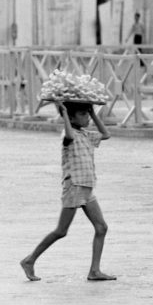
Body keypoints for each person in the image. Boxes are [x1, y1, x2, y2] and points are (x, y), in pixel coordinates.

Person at [20, 101, 115, 282]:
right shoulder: (67, 134)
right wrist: (64, 114)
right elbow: (69, 135)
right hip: (74, 187)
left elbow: (106, 134)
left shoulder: (86, 134)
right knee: (61, 231)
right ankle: (29, 260)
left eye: (87, 114)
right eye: (83, 114)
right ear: (71, 118)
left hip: (87, 187)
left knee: (101, 227)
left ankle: (94, 270)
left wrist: (93, 113)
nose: (86, 118)